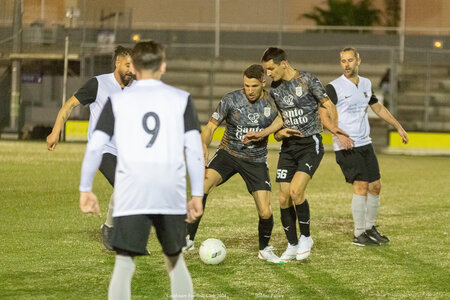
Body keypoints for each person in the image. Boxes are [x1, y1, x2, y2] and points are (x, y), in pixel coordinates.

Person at [78, 40, 204, 300]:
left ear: (133, 66)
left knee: (124, 265)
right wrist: (198, 194)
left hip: (132, 190)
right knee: (175, 261)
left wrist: (85, 188)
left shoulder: (118, 101)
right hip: (169, 191)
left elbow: (96, 145)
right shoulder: (181, 99)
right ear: (164, 66)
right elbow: (193, 149)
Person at [243, 47, 354, 262]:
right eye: (266, 70)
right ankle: (292, 244)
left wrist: (334, 129)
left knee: (295, 192)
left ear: (283, 63)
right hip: (288, 147)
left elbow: (328, 104)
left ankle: (306, 238)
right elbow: (280, 119)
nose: (268, 74)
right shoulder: (275, 89)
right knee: (283, 198)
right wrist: (273, 133)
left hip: (309, 144)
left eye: (271, 68)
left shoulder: (307, 80)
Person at [184, 64, 282, 263]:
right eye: (246, 85)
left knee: (265, 210)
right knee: (202, 186)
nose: (249, 90)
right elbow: (211, 127)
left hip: (256, 160)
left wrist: (271, 133)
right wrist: (203, 144)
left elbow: (282, 121)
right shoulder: (231, 99)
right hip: (228, 154)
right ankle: (187, 239)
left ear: (263, 83)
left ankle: (264, 249)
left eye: (254, 86)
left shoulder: (273, 102)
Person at [46, 46, 134, 250]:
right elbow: (69, 106)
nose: (132, 69)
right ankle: (111, 230)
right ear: (117, 63)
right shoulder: (98, 83)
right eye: (128, 65)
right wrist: (55, 130)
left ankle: (115, 227)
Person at [325, 47, 408, 246]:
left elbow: (377, 106)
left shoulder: (366, 84)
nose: (346, 64)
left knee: (375, 186)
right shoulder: (333, 87)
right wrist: (338, 135)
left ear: (358, 61)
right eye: (343, 61)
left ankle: (370, 228)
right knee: (361, 186)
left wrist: (397, 126)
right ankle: (358, 233)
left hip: (365, 143)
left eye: (350, 60)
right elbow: (324, 117)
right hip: (346, 145)